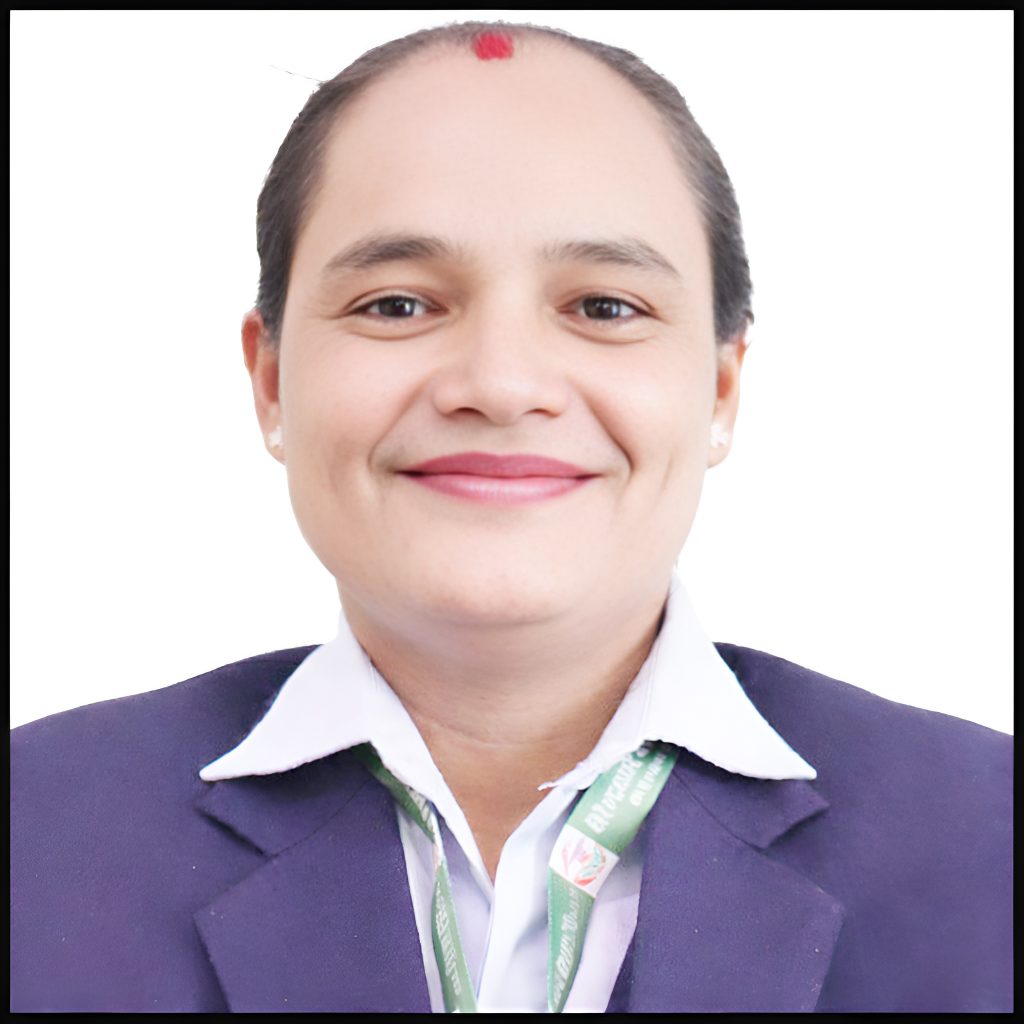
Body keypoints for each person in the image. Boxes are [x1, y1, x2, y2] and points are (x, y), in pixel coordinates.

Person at [10, 19, 1011, 1014]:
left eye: (604, 307)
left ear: (719, 388)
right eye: (397, 305)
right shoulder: (36, 833)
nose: (499, 384)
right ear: (272, 379)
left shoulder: (986, 838)